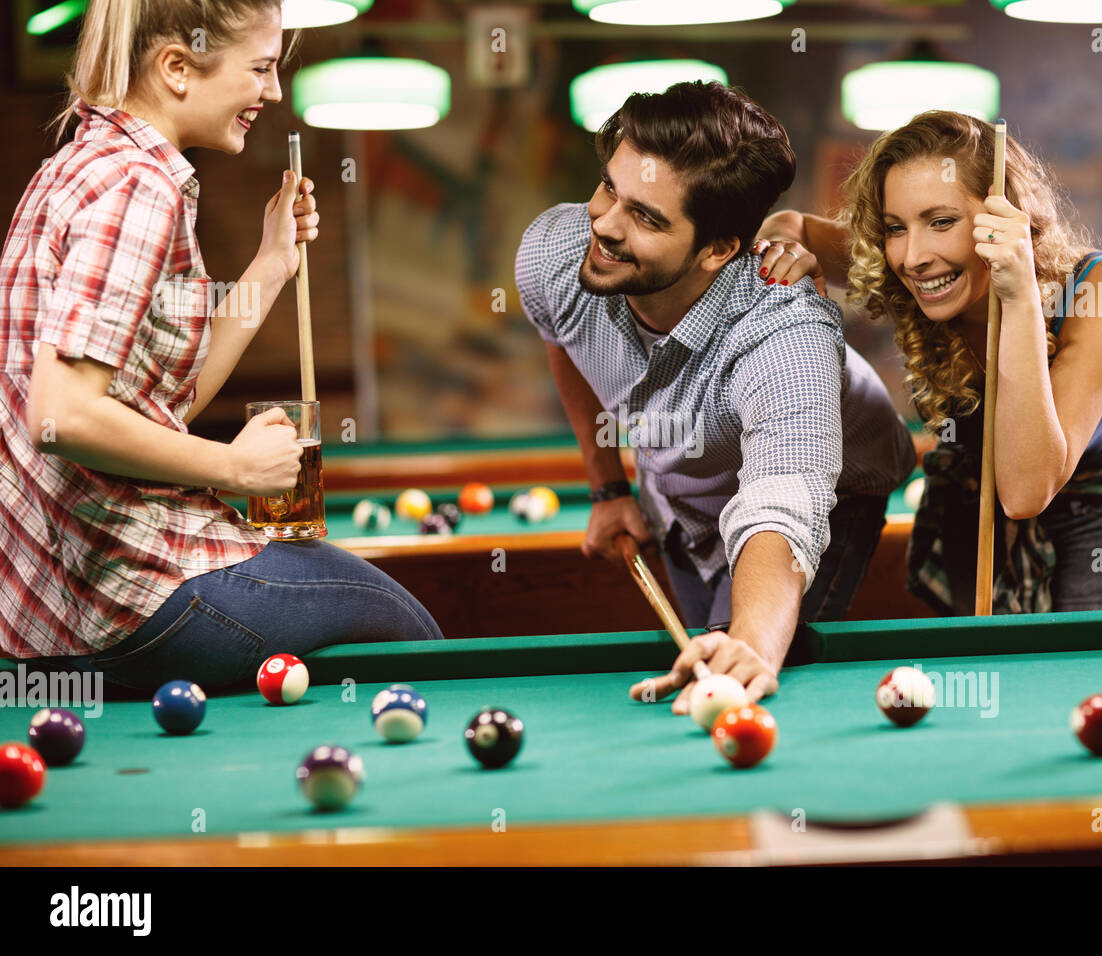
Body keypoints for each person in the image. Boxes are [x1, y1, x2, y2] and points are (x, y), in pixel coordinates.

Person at [0, 0, 441, 691]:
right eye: (261, 68)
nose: (272, 91)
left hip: (51, 613)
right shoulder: (137, 189)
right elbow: (65, 416)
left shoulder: (77, 168)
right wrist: (232, 468)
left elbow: (157, 400)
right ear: (177, 68)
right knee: (404, 626)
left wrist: (270, 265)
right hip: (129, 592)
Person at [754, 110, 1102, 614]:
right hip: (977, 496)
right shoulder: (906, 258)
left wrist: (1018, 295)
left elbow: (1025, 490)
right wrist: (782, 253)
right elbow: (789, 225)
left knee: (1081, 679)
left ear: (1005, 216)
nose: (913, 257)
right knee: (981, 679)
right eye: (895, 228)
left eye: (942, 221)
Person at [514, 82, 914, 712]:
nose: (605, 224)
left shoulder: (785, 329)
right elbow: (561, 336)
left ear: (720, 248)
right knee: (705, 653)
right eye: (610, 188)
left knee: (736, 674)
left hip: (828, 500)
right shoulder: (555, 252)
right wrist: (608, 488)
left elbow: (783, 500)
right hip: (679, 492)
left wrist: (749, 641)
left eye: (646, 216)